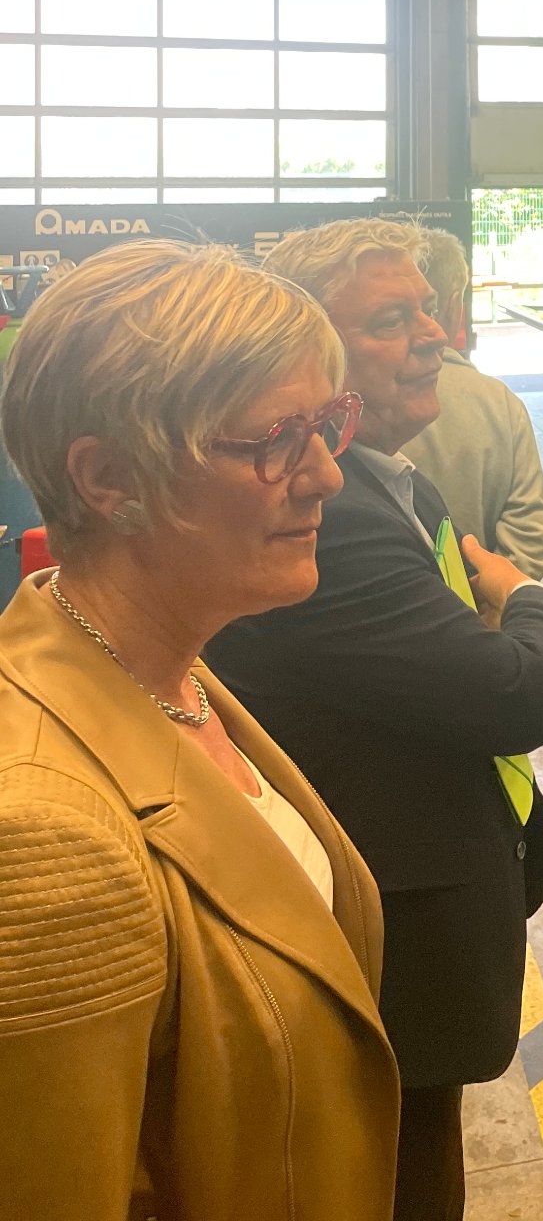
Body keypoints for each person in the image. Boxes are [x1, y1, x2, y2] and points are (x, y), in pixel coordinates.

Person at [0, 240, 399, 1221]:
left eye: (326, 425)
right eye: (275, 439)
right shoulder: (47, 836)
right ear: (108, 477)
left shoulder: (163, 669)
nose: (326, 475)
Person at [208, 218, 543, 1221]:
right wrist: (527, 595)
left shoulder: (390, 481)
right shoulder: (337, 521)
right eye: (391, 320)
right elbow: (513, 692)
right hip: (389, 904)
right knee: (399, 1152)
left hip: (416, 867)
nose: (435, 336)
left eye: (429, 310)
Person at [411, 226, 543, 580]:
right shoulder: (499, 404)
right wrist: (479, 600)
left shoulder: (341, 403)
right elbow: (531, 539)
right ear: (455, 308)